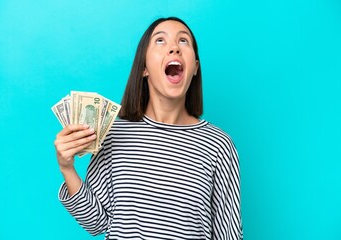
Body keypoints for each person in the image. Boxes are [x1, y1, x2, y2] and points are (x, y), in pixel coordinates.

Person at [54, 16, 243, 239]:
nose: (174, 48)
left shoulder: (218, 145)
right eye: (160, 41)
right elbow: (96, 222)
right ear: (144, 68)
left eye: (183, 41)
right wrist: (67, 167)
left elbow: (228, 234)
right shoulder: (114, 135)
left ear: (194, 68)